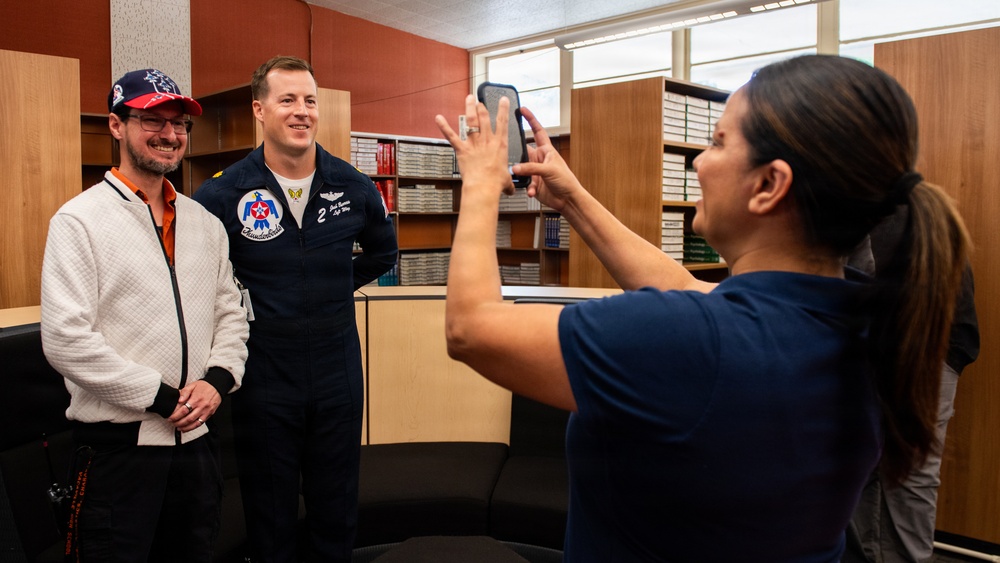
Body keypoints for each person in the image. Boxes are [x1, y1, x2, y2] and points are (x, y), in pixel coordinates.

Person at [434, 54, 970, 562]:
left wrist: (481, 184)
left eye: (717, 142)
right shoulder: (863, 326)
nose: (698, 161)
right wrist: (573, 198)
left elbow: (472, 327)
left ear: (768, 184)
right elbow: (689, 288)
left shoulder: (694, 343)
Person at [193, 55, 398, 562]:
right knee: (269, 511)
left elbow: (383, 252)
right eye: (287, 100)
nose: (301, 111)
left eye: (309, 100)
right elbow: (200, 278)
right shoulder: (221, 193)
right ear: (260, 110)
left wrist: (327, 289)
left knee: (336, 507)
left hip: (337, 373)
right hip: (264, 376)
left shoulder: (352, 186)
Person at [40, 69, 249, 562]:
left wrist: (218, 380)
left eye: (179, 124)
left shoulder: (206, 224)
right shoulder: (79, 221)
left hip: (196, 446)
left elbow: (232, 314)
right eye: (152, 120)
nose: (170, 135)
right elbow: (67, 340)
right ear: (116, 125)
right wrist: (160, 398)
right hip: (119, 452)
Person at [844, 209, 980, 563]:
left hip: (930, 354)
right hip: (868, 354)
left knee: (912, 475)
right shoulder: (852, 207)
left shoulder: (921, 210)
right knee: (863, 469)